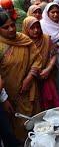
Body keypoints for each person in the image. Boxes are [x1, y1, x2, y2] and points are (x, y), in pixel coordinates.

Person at [0, 10, 42, 140]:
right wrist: (4, 100)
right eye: (5, 27)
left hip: (30, 90)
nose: (11, 29)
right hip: (10, 96)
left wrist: (29, 78)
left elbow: (37, 59)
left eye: (12, 25)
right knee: (18, 126)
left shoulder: (23, 39)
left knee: (35, 121)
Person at [22, 16, 59, 110]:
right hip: (31, 80)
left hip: (46, 76)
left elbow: (54, 54)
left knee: (51, 104)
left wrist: (48, 69)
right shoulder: (22, 43)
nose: (36, 30)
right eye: (32, 28)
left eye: (38, 27)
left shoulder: (46, 39)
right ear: (26, 29)